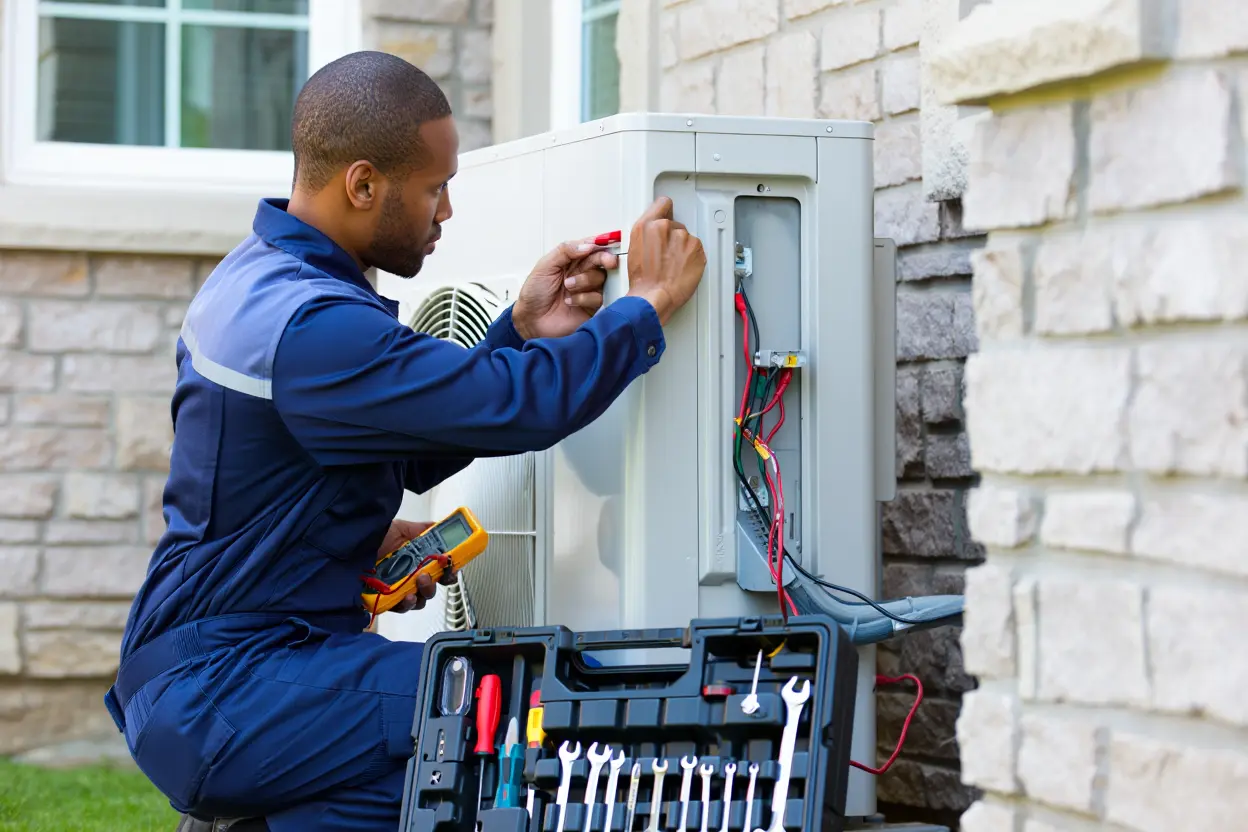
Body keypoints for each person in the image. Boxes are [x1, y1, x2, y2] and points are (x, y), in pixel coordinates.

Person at [105, 50, 706, 832]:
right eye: (434, 188)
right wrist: (649, 305)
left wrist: (520, 330)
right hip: (229, 685)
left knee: (436, 785)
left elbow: (407, 442)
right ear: (362, 184)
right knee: (503, 708)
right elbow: (515, 406)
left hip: (219, 676)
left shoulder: (272, 283)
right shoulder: (311, 327)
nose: (446, 211)